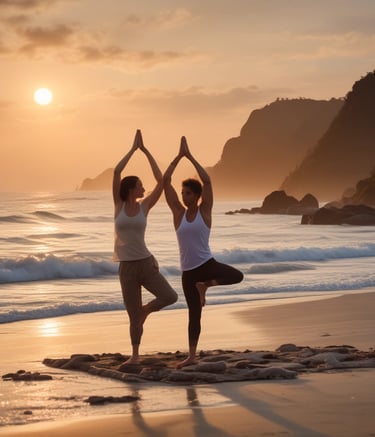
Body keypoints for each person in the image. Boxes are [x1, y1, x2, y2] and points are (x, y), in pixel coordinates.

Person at [163, 136, 244, 368]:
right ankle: (191, 355)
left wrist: (191, 156)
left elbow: (207, 183)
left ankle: (206, 285)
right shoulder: (178, 213)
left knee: (237, 276)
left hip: (207, 264)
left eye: (188, 193)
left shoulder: (205, 211)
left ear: (197, 196)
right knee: (194, 314)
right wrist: (178, 157)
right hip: (188, 271)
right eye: (182, 193)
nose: (183, 196)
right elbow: (165, 181)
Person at [113, 129, 178, 364]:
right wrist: (132, 149)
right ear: (131, 188)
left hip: (145, 263)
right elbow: (117, 171)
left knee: (170, 296)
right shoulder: (119, 204)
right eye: (140, 185)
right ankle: (135, 355)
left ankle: (147, 310)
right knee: (132, 315)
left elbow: (162, 181)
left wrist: (146, 151)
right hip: (126, 268)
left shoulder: (145, 206)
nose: (143, 188)